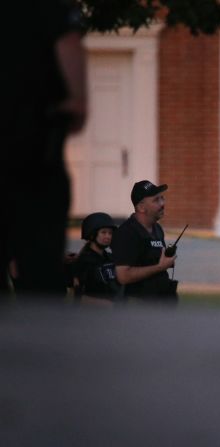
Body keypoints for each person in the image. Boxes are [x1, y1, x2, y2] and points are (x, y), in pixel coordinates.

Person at [1, 0, 87, 301]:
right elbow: (68, 43)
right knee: (40, 273)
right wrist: (77, 99)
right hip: (32, 154)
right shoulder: (48, 8)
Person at [110, 180, 178, 304]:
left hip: (161, 303)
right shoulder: (127, 233)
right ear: (141, 207)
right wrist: (160, 267)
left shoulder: (157, 229)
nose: (162, 203)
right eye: (156, 200)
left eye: (162, 198)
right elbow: (123, 276)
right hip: (139, 309)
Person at [72, 212, 121, 305]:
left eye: (110, 233)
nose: (108, 236)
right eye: (103, 232)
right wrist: (106, 304)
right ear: (92, 235)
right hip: (92, 315)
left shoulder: (111, 258)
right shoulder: (84, 261)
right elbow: (78, 297)